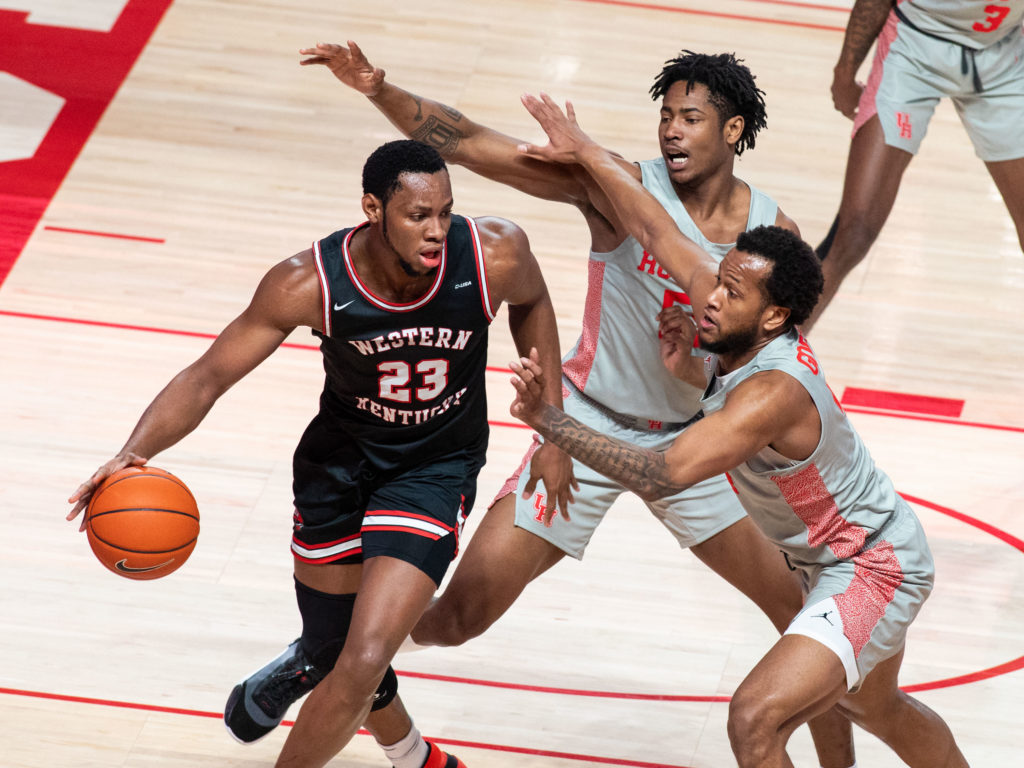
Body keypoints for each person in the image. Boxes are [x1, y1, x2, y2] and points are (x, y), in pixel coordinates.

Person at [298, 41, 857, 767]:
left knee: (805, 616)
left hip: (692, 441)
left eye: (690, 117)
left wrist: (698, 360)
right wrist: (377, 87)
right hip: (584, 423)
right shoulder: (615, 184)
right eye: (665, 115)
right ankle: (342, 658)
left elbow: (773, 360)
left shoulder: (770, 239)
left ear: (731, 131)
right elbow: (466, 142)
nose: (671, 130)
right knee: (460, 619)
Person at [66, 139, 568, 768]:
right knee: (337, 653)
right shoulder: (310, 282)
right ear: (373, 209)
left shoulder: (493, 252)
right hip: (338, 467)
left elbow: (535, 299)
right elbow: (208, 377)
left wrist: (552, 425)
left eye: (445, 210)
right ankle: (402, 744)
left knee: (363, 659)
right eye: (418, 216)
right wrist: (130, 452)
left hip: (433, 470)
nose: (437, 229)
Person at [507, 93, 970, 767]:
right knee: (876, 707)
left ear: (776, 316)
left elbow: (660, 471)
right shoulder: (739, 315)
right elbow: (656, 227)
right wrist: (586, 151)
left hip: (871, 566)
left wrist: (549, 421)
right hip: (835, 555)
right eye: (717, 284)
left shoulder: (771, 394)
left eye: (731, 294)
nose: (710, 299)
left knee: (754, 718)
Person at [805, 0, 1024, 330]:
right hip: (914, 48)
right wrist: (845, 72)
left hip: (1003, 54)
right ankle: (766, 363)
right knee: (854, 231)